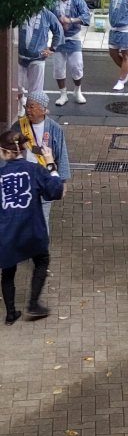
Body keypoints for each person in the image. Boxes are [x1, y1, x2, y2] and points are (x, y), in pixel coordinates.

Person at [0, 129, 63, 324]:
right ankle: (33, 304)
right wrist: (51, 162)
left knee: (8, 271)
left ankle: (10, 313)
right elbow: (55, 191)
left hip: (6, 233)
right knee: (41, 261)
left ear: (4, 152)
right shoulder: (34, 170)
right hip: (32, 229)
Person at [11, 91, 71, 231]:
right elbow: (9, 150)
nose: (28, 110)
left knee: (42, 220)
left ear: (43, 110)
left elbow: (61, 155)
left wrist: (63, 182)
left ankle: (41, 250)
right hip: (23, 180)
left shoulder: (55, 129)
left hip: (44, 179)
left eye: (32, 107)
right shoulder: (18, 126)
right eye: (27, 106)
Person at [51, 0, 91, 106]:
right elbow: (47, 16)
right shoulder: (52, 0)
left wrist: (71, 20)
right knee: (58, 67)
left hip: (73, 36)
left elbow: (86, 17)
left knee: (77, 66)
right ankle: (63, 94)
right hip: (58, 37)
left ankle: (77, 91)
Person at [17, 8, 64, 116]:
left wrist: (52, 49)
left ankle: (33, 113)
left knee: (35, 90)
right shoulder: (19, 11)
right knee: (17, 84)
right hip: (20, 56)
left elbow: (58, 30)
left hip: (38, 57)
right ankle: (21, 102)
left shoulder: (47, 15)